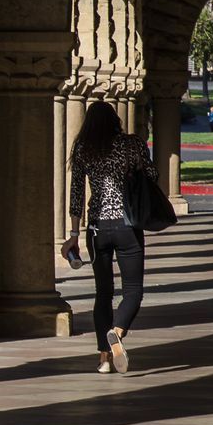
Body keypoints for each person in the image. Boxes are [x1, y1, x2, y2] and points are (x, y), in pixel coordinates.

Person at [61, 101, 151, 374]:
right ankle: (117, 333)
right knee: (133, 290)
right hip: (127, 225)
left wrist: (74, 234)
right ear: (115, 120)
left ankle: (103, 359)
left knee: (103, 293)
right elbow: (152, 175)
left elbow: (76, 195)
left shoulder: (83, 149)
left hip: (97, 228)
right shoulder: (132, 145)